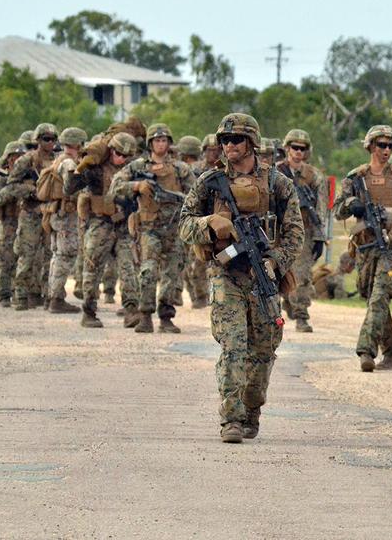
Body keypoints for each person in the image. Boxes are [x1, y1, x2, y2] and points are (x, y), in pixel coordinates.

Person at [179, 113, 304, 443]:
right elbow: (184, 225)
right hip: (226, 274)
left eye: (236, 140)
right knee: (234, 345)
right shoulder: (210, 182)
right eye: (225, 140)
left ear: (252, 143)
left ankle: (251, 410)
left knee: (263, 351)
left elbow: (294, 232)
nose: (229, 146)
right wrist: (209, 224)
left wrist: (275, 262)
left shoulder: (277, 183)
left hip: (264, 274)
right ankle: (231, 418)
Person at [333, 125, 392, 371]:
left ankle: (366, 351)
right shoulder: (356, 177)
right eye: (382, 145)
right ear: (370, 146)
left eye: (391, 146)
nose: (386, 150)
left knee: (381, 294)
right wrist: (353, 203)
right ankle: (391, 353)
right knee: (370, 296)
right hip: (364, 246)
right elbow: (338, 210)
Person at [111, 123, 195, 333]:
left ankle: (166, 316)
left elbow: (195, 195)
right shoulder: (138, 167)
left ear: (169, 143)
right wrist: (136, 186)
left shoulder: (179, 169)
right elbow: (115, 186)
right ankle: (145, 314)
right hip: (149, 228)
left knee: (172, 274)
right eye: (157, 140)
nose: (160, 144)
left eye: (164, 140)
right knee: (147, 272)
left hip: (174, 229)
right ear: (150, 143)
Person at [69, 131, 141, 328]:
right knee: (92, 269)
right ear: (110, 150)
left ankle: (131, 310)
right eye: (118, 153)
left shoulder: (131, 171)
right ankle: (89, 311)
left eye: (126, 156)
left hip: (123, 226)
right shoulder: (96, 170)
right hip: (99, 224)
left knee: (128, 268)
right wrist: (79, 169)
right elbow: (70, 189)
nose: (121, 158)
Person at [276, 129, 328, 332]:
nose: (298, 152)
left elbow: (321, 207)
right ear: (287, 148)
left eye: (302, 148)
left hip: (303, 231)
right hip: (278, 230)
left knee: (302, 274)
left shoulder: (314, 176)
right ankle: (287, 300)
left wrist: (319, 237)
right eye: (294, 147)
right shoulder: (275, 172)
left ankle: (301, 316)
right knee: (276, 271)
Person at [8, 123, 58, 310]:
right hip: (30, 213)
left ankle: (46, 294)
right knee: (27, 254)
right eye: (46, 139)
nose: (50, 143)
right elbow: (12, 185)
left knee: (49, 256)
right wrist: (30, 190)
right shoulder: (27, 161)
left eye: (53, 139)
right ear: (37, 140)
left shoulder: (57, 161)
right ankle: (21, 295)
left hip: (50, 213)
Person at [44, 127, 89, 313]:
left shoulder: (59, 159)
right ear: (78, 144)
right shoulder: (69, 163)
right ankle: (56, 299)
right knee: (65, 255)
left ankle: (51, 296)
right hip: (66, 217)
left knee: (56, 255)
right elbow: (71, 187)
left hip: (56, 215)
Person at [0, 141, 27, 306]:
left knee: (22, 259)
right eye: (15, 157)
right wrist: (11, 190)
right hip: (8, 223)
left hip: (25, 223)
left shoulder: (26, 177)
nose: (18, 160)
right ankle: (4, 295)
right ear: (9, 159)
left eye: (21, 157)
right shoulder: (0, 180)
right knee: (5, 259)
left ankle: (18, 293)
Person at [177, 135, 210, 309]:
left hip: (209, 221)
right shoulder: (193, 170)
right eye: (209, 150)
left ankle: (202, 294)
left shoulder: (221, 170)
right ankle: (196, 294)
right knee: (190, 259)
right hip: (191, 220)